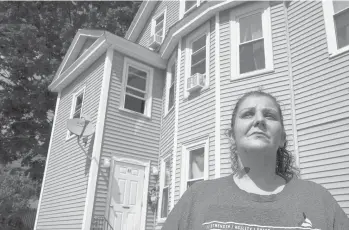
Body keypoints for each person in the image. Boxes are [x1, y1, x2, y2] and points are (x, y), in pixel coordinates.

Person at [162, 91, 349, 230]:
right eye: (248, 114)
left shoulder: (319, 199)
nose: (259, 120)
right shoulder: (196, 198)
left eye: (269, 115)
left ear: (282, 138)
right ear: (232, 137)